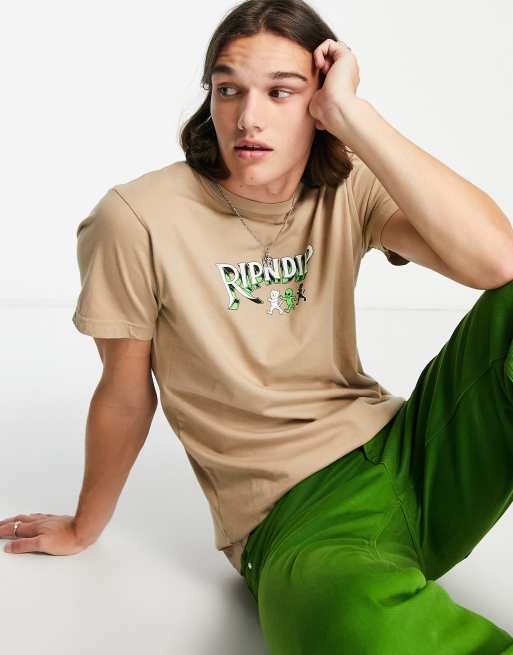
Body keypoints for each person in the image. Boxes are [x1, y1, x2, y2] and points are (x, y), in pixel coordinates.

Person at [3, 0, 513, 651]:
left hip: (417, 454)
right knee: (354, 627)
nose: (248, 117)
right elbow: (126, 392)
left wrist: (354, 116)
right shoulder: (136, 219)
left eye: (281, 92)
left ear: (317, 104)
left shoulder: (346, 185)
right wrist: (83, 527)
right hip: (297, 519)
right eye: (228, 90)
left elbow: (497, 263)